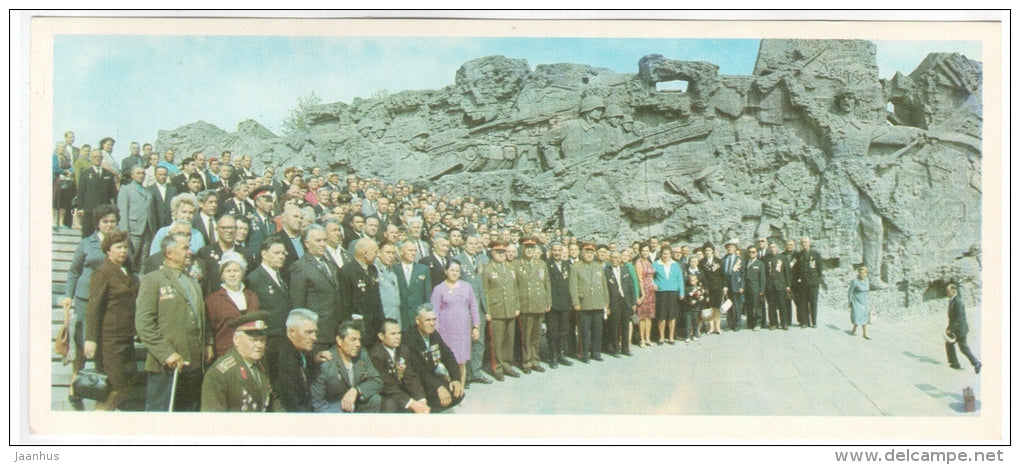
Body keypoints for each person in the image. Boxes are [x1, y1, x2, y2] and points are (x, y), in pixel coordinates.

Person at [135, 232, 214, 412]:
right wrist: (166, 354)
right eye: (185, 248)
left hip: (193, 366)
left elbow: (201, 316)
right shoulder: (153, 280)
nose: (190, 252)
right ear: (169, 253)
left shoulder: (192, 281)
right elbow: (144, 324)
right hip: (166, 368)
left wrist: (208, 343)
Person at [61, 203, 119, 410]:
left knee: (103, 345)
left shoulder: (120, 245)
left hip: (109, 302)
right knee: (83, 343)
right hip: (86, 300)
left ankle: (101, 387)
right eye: (105, 222)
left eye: (113, 221)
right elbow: (74, 271)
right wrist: (68, 296)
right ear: (97, 224)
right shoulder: (87, 243)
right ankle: (74, 386)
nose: (109, 225)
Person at [82, 229, 142, 410]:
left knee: (126, 384)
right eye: (118, 247)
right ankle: (97, 425)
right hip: (109, 340)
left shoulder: (126, 270)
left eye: (125, 247)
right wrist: (90, 339)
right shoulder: (103, 271)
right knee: (114, 387)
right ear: (108, 250)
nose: (123, 251)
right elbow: (93, 307)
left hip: (126, 337)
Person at [200, 311, 283, 412]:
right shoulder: (220, 374)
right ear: (236, 339)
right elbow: (214, 419)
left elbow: (273, 400)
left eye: (262, 340)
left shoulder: (262, 363)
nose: (260, 346)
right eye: (253, 340)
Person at [401, 305, 465, 411]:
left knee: (458, 394)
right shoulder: (409, 339)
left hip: (430, 378)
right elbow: (419, 370)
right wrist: (438, 387)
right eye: (428, 320)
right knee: (440, 399)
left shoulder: (434, 334)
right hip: (417, 383)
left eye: (434, 319)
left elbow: (448, 355)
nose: (432, 323)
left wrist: (456, 379)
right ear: (418, 321)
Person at [289, 224, 342, 351]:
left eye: (324, 240)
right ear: (307, 243)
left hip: (334, 332)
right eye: (318, 241)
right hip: (316, 335)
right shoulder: (301, 267)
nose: (323, 244)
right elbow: (298, 305)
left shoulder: (330, 263)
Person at [309, 321, 383, 413]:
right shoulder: (326, 362)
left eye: (359, 340)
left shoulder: (362, 354)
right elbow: (317, 403)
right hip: (334, 409)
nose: (358, 344)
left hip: (356, 403)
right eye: (353, 339)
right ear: (339, 340)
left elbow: (377, 381)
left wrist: (356, 390)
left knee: (375, 399)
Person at [429, 259, 480, 385]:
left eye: (457, 270)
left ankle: (460, 390)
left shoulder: (467, 287)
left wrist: (476, 326)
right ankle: (450, 390)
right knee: (448, 362)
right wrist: (436, 331)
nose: (455, 273)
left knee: (461, 362)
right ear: (446, 271)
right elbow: (433, 311)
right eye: (452, 270)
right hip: (446, 333)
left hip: (463, 332)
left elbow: (473, 307)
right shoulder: (439, 289)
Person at [368, 319, 430, 413]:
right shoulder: (376, 354)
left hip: (401, 392)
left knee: (423, 400)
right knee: (390, 404)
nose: (397, 337)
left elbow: (410, 377)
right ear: (381, 336)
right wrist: (413, 403)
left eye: (399, 333)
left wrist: (421, 400)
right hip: (385, 394)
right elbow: (386, 386)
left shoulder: (403, 349)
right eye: (393, 334)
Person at [205, 253, 260, 357]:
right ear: (222, 275)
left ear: (242, 273)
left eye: (236, 270)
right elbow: (209, 330)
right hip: (225, 353)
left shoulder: (252, 297)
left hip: (251, 353)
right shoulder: (213, 300)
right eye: (228, 271)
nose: (232, 274)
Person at [481, 240, 521, 379]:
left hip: (509, 308)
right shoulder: (487, 269)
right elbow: (484, 292)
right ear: (492, 253)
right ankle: (497, 367)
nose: (502, 255)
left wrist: (517, 306)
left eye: (504, 252)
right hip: (496, 309)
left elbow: (515, 288)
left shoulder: (511, 268)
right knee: (496, 341)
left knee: (509, 340)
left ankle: (507, 365)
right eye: (499, 252)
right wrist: (487, 311)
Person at [569, 242, 610, 362]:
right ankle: (585, 354)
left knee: (598, 330)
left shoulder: (598, 266)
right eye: (587, 252)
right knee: (584, 331)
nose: (589, 255)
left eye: (591, 253)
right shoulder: (575, 267)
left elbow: (604, 285)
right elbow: (573, 286)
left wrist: (606, 301)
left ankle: (596, 352)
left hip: (598, 302)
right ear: (582, 253)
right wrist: (576, 302)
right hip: (584, 303)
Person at [515, 238, 551, 372]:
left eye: (532, 248)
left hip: (539, 303)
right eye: (527, 248)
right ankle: (527, 362)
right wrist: (517, 305)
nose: (529, 251)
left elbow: (546, 283)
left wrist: (548, 301)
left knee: (537, 335)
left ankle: (536, 360)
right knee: (526, 336)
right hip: (526, 304)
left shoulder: (541, 264)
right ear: (523, 250)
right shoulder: (517, 264)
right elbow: (515, 287)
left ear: (535, 250)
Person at [339, 238, 384, 342]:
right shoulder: (347, 271)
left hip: (374, 326)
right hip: (359, 326)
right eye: (375, 252)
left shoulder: (372, 270)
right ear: (366, 253)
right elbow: (345, 304)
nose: (377, 255)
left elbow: (377, 298)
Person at [77, 148, 117, 238]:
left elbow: (113, 193)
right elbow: (81, 191)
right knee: (87, 235)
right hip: (89, 210)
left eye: (99, 157)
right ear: (91, 158)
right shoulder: (85, 173)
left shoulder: (108, 174)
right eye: (95, 157)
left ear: (102, 158)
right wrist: (80, 208)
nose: (97, 159)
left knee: (103, 236)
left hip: (104, 211)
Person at [545, 242, 574, 367]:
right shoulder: (546, 265)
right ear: (551, 251)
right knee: (552, 331)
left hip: (565, 304)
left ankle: (561, 354)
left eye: (559, 250)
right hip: (552, 303)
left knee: (563, 330)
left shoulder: (567, 264)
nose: (557, 253)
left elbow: (571, 284)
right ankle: (553, 357)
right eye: (554, 250)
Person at [605, 250, 637, 356]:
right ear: (610, 259)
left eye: (617, 258)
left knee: (625, 325)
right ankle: (615, 348)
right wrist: (607, 305)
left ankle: (625, 348)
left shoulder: (625, 270)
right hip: (614, 302)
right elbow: (605, 289)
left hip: (626, 301)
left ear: (620, 259)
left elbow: (631, 286)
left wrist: (633, 302)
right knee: (614, 326)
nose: (615, 260)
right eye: (613, 258)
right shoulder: (607, 271)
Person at [395, 239, 432, 331]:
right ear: (401, 252)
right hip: (401, 318)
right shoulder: (394, 269)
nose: (413, 253)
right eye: (410, 250)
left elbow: (427, 295)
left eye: (415, 250)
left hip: (417, 319)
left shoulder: (423, 269)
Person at [944, 284, 981, 373]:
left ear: (953, 291)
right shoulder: (952, 300)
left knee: (963, 348)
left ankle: (976, 363)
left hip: (960, 329)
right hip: (955, 328)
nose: (947, 293)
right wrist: (949, 328)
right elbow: (952, 318)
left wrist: (950, 330)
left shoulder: (958, 302)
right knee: (949, 343)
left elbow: (958, 318)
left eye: (948, 291)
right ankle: (954, 363)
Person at [653, 244, 683, 344]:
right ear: (661, 254)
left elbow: (680, 279)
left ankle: (671, 337)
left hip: (673, 292)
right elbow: (650, 277)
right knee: (661, 315)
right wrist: (654, 284)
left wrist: (681, 292)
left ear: (671, 254)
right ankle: (661, 337)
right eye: (664, 253)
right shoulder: (656, 264)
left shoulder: (675, 265)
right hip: (661, 292)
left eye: (668, 253)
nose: (666, 255)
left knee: (672, 315)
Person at [793, 236, 824, 328]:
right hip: (803, 283)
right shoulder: (799, 255)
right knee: (803, 303)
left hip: (813, 283)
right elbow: (796, 269)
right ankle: (805, 322)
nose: (804, 244)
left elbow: (819, 269)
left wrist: (817, 280)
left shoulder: (815, 254)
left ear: (809, 243)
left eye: (805, 242)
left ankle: (814, 322)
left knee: (813, 302)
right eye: (802, 243)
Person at [765, 242, 793, 330]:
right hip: (770, 286)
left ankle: (784, 323)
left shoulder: (782, 258)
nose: (772, 249)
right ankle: (773, 323)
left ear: (777, 248)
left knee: (782, 305)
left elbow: (787, 272)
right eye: (771, 247)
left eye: (774, 247)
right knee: (771, 306)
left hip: (781, 285)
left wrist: (788, 285)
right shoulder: (765, 259)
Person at [633, 242, 656, 348]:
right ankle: (641, 339)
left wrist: (654, 285)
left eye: (647, 250)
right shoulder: (639, 262)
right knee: (642, 316)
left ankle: (647, 338)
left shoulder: (649, 262)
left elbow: (651, 277)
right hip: (644, 291)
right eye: (643, 250)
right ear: (640, 251)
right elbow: (639, 278)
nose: (645, 252)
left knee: (649, 316)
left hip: (651, 291)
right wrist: (642, 293)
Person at [700, 243, 725, 335]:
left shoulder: (718, 261)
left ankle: (717, 327)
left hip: (718, 287)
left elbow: (723, 275)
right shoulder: (702, 262)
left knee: (717, 307)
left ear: (713, 251)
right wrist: (704, 288)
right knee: (710, 307)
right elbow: (702, 277)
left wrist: (724, 286)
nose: (707, 252)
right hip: (707, 288)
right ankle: (711, 327)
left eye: (709, 250)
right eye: (706, 250)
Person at [742, 245, 767, 331]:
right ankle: (750, 323)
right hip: (747, 288)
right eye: (750, 252)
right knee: (749, 307)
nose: (751, 254)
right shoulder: (746, 262)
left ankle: (758, 323)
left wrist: (762, 291)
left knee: (757, 307)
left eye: (753, 252)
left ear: (756, 253)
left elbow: (762, 278)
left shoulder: (760, 264)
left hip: (756, 288)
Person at [847, 265, 871, 339]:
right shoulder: (855, 281)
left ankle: (865, 334)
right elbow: (850, 292)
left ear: (866, 273)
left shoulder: (867, 280)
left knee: (864, 316)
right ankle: (854, 330)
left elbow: (867, 291)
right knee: (857, 316)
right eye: (861, 273)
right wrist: (850, 301)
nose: (862, 275)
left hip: (864, 301)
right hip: (856, 301)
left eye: (864, 273)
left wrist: (867, 300)